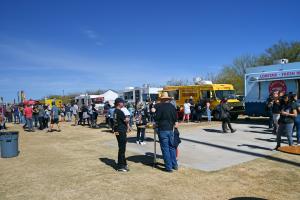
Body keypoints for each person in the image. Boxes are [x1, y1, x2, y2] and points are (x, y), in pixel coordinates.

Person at [155, 92, 178, 172]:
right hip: (170, 129)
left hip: (163, 129)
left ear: (162, 100)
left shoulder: (160, 107)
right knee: (171, 147)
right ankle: (174, 165)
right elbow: (175, 118)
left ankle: (168, 167)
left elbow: (156, 118)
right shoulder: (172, 106)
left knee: (165, 148)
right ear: (168, 99)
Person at [113, 98, 130, 172]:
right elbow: (125, 120)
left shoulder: (115, 111)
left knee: (121, 147)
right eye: (122, 102)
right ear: (119, 103)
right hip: (121, 131)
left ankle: (123, 163)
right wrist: (128, 119)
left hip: (117, 130)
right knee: (122, 148)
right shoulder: (120, 111)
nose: (123, 104)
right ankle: (121, 166)